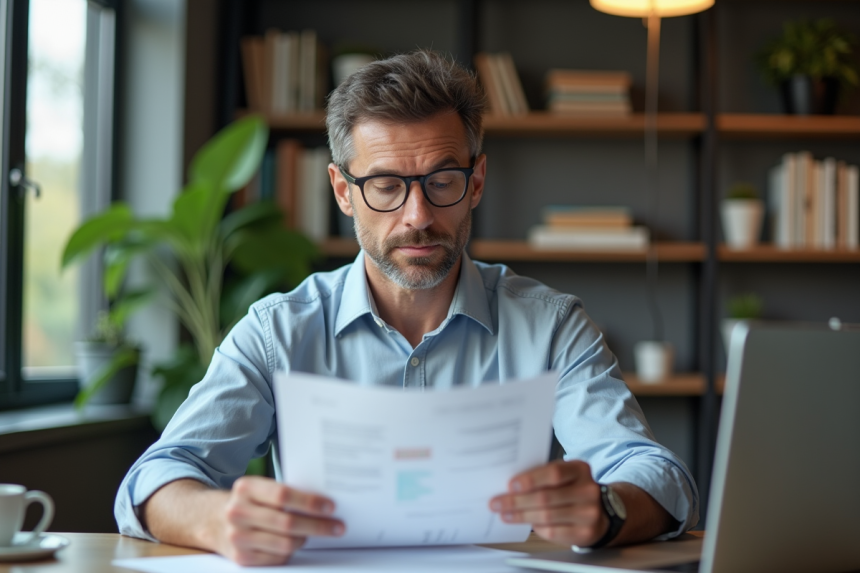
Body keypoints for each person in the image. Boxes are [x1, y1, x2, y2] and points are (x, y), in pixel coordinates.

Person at [115, 50, 698, 566]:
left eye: (442, 181)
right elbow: (154, 479)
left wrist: (606, 509)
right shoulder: (278, 331)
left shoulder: (550, 325)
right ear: (343, 191)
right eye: (387, 186)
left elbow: (656, 473)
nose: (417, 216)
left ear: (476, 182)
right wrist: (217, 520)